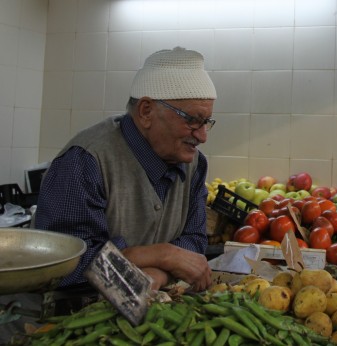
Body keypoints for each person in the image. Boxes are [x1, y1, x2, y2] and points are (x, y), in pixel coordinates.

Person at [35, 47, 216, 292]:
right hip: (69, 317)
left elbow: (194, 239)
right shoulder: (85, 161)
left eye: (206, 122)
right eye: (192, 120)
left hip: (149, 317)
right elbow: (65, 264)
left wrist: (157, 275)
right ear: (146, 111)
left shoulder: (195, 164)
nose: (202, 136)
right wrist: (161, 255)